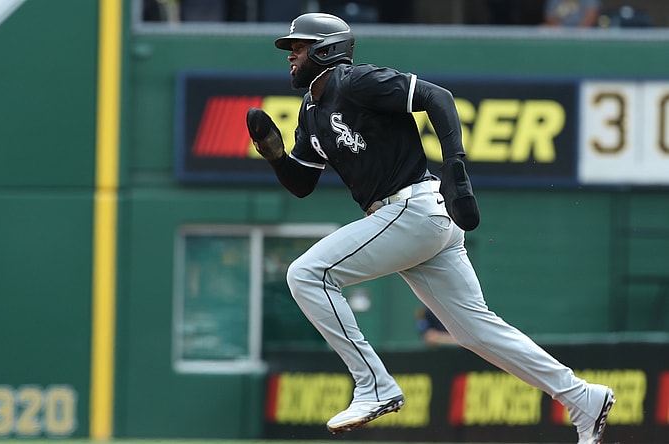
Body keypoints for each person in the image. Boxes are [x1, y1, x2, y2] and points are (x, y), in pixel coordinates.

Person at [245, 12, 615, 443]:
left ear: (326, 50)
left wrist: (456, 168)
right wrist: (274, 156)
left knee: (307, 273)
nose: (291, 54)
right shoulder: (311, 111)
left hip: (412, 209)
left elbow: (438, 97)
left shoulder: (356, 81)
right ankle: (583, 397)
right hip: (410, 222)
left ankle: (374, 385)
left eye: (299, 46)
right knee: (476, 331)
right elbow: (303, 183)